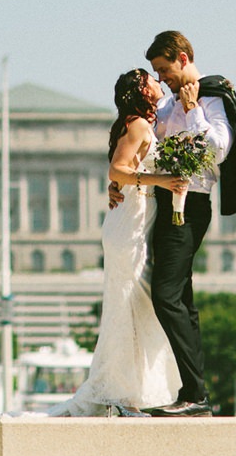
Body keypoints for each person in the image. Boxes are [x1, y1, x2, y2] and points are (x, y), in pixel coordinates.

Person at [128, 28, 236, 417]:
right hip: (164, 203)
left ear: (183, 58)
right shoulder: (168, 105)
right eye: (157, 73)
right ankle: (195, 393)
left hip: (189, 205)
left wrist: (193, 111)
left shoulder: (210, 97)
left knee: (166, 296)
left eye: (164, 69)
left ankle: (195, 394)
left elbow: (217, 149)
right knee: (181, 300)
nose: (162, 79)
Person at [34, 68, 189, 417]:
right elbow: (118, 169)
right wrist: (162, 181)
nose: (158, 81)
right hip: (129, 226)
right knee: (128, 308)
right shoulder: (136, 125)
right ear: (141, 90)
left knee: (134, 308)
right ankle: (122, 394)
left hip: (134, 221)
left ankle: (129, 392)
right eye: (151, 79)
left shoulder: (138, 123)